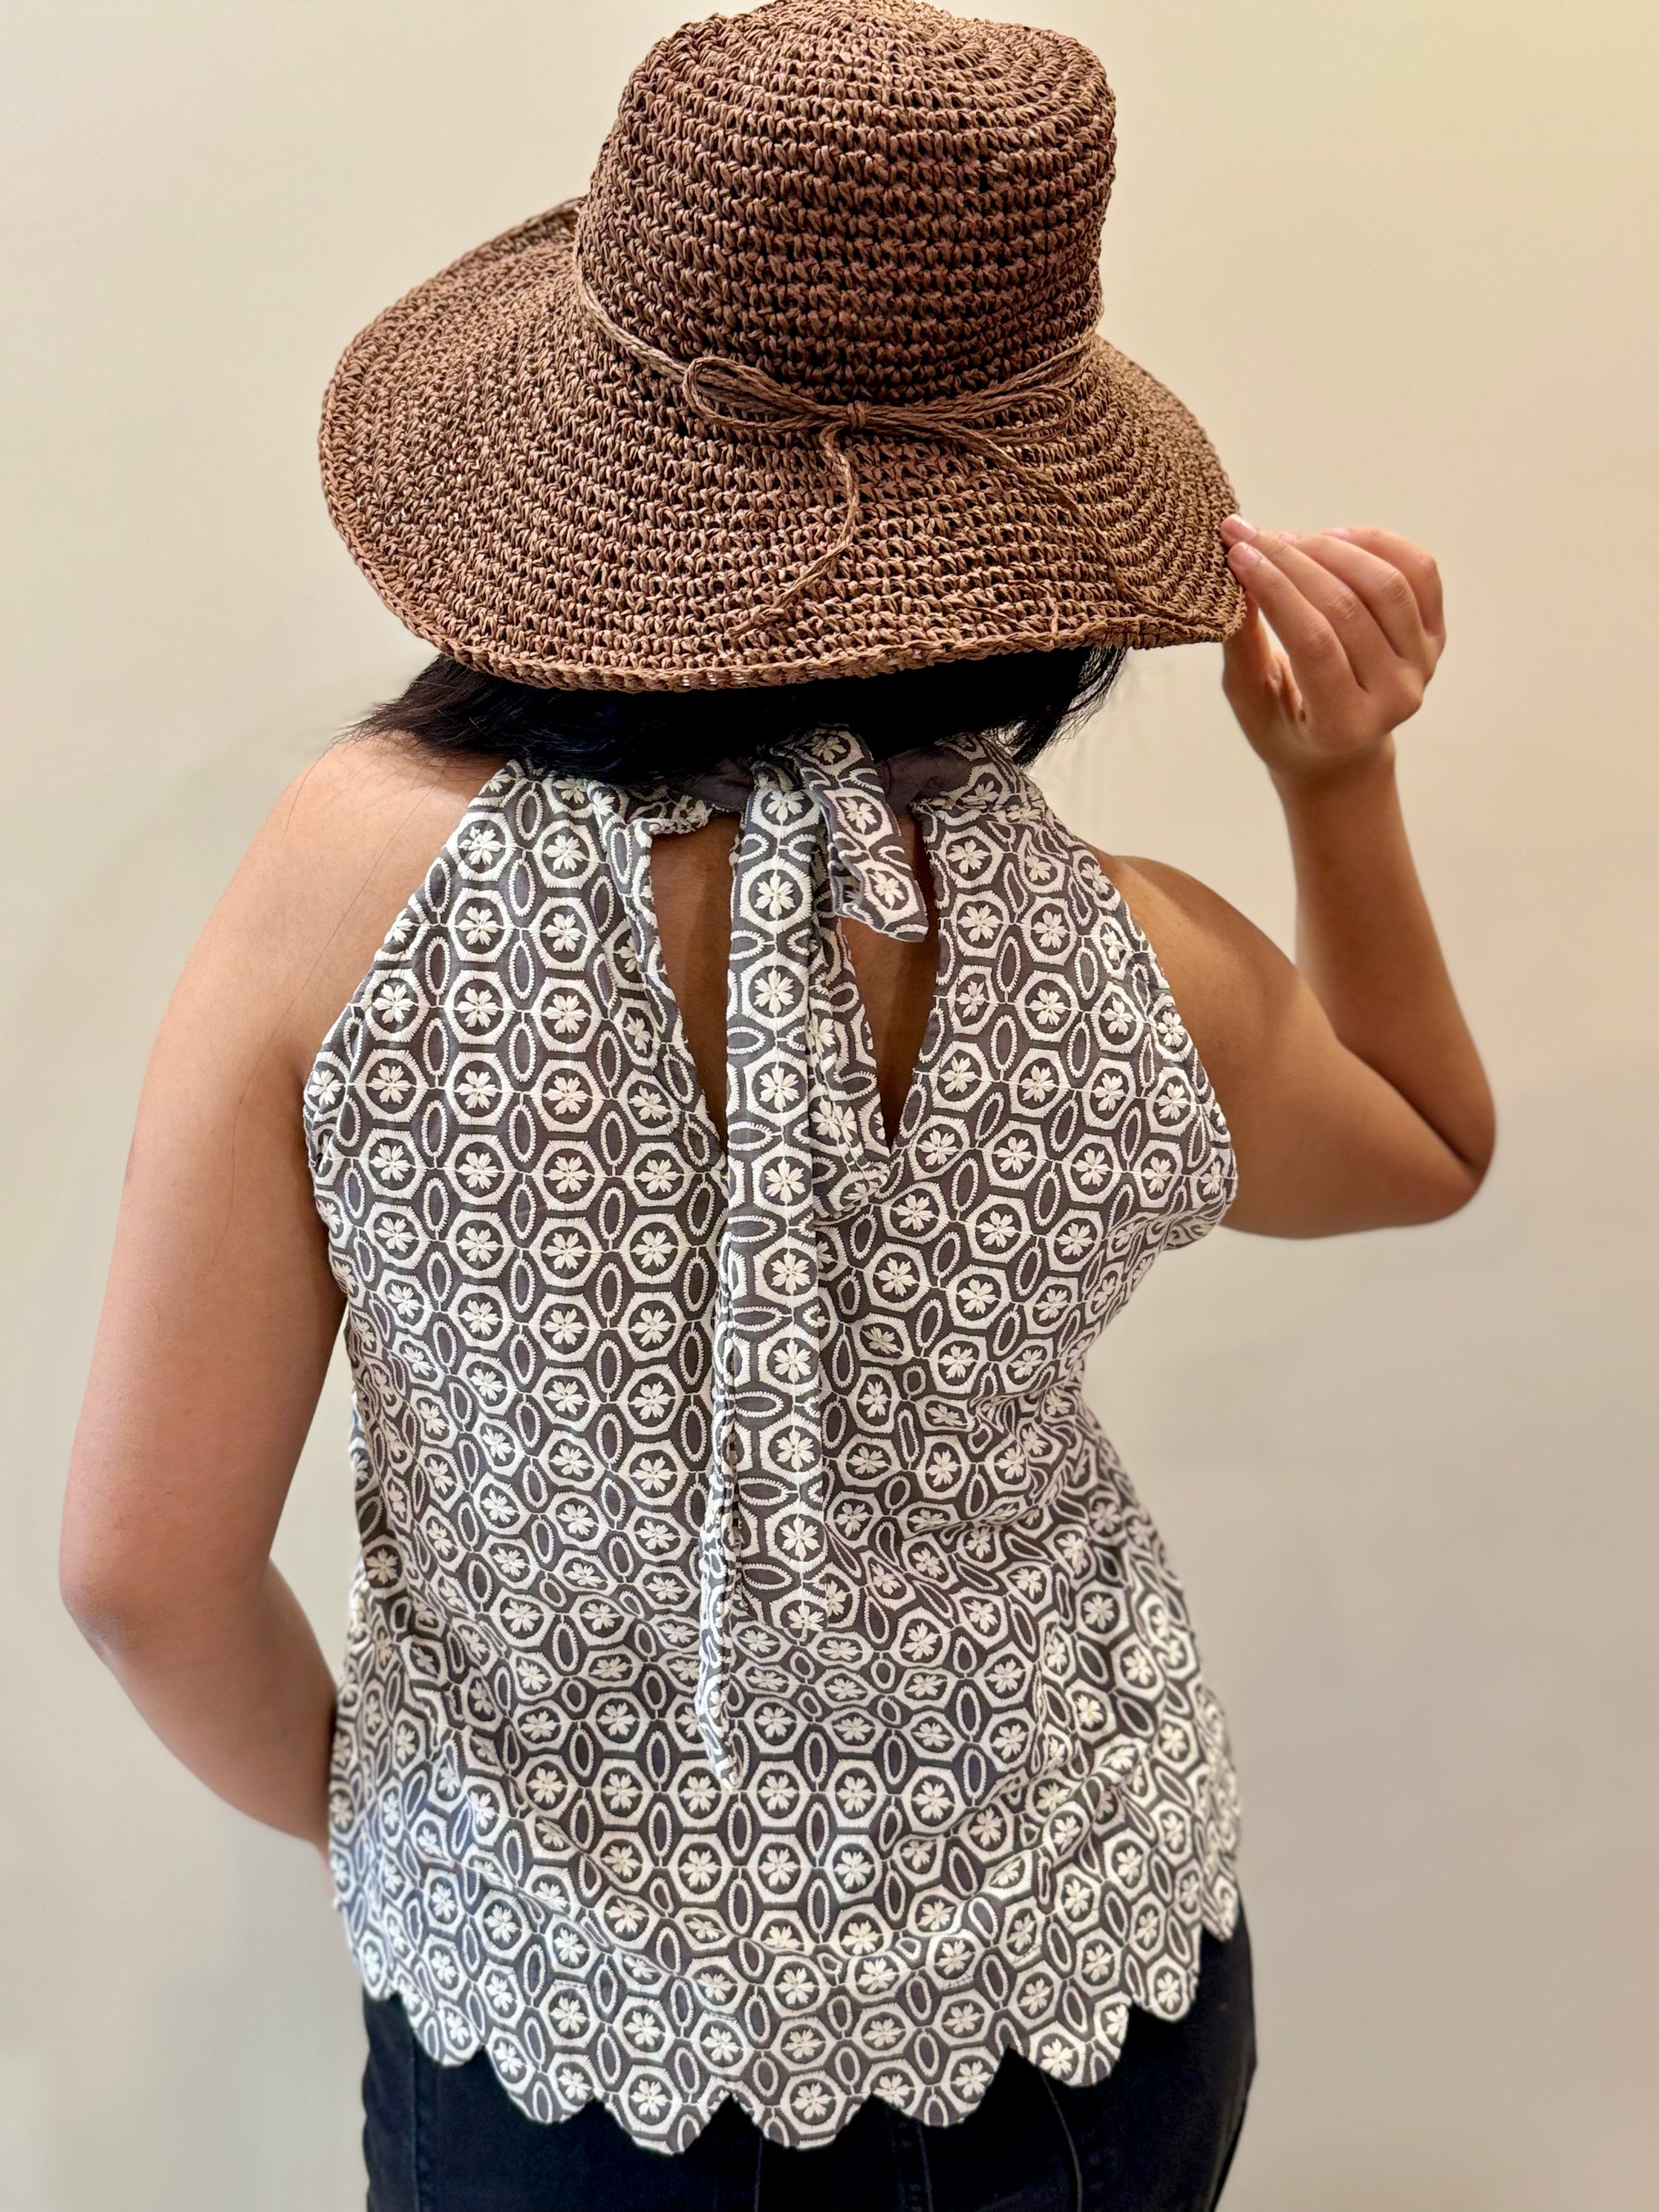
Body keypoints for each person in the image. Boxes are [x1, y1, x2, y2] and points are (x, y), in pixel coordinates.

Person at [59, 3, 1493, 2206]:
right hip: (1082, 1990)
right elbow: (1422, 1142)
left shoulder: (349, 887)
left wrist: (409, 1829)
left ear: (574, 473)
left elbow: (140, 1572)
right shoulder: (1133, 951)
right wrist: (1338, 779)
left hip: (567, 2049)